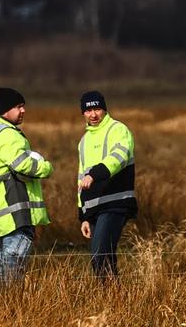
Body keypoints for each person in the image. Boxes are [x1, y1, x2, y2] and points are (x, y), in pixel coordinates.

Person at [0, 87, 53, 293]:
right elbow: (22, 164)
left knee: (0, 267)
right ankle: (9, 310)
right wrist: (46, 168)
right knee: (13, 267)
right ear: (6, 110)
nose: (23, 110)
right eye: (18, 107)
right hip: (13, 214)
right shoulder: (8, 135)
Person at [76, 90, 137, 280]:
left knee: (99, 256)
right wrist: (84, 215)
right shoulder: (83, 141)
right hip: (94, 208)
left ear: (104, 109)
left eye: (97, 109)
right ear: (83, 113)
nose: (93, 115)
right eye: (88, 111)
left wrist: (95, 174)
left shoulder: (118, 129)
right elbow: (81, 178)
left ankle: (111, 300)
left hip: (115, 202)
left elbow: (119, 157)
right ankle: (114, 302)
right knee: (104, 259)